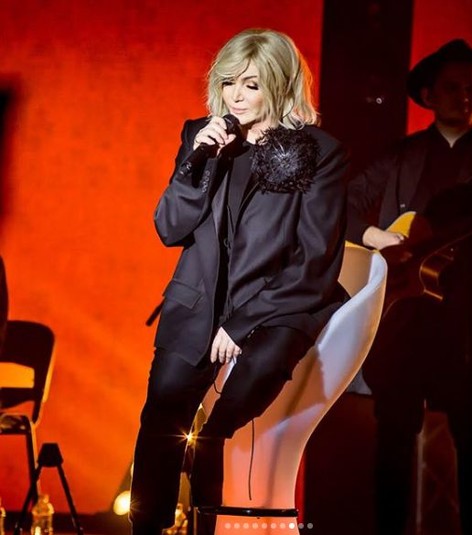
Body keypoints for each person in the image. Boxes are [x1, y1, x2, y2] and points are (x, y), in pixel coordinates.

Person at [129, 28, 349, 535]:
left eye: (251, 84)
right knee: (162, 413)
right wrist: (195, 162)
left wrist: (242, 320)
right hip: (197, 302)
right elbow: (169, 229)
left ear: (279, 85)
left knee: (239, 398)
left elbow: (315, 259)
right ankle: (146, 527)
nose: (236, 96)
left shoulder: (320, 151)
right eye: (228, 82)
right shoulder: (200, 137)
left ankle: (210, 472)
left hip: (279, 303)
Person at [346, 39, 472, 535]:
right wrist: (375, 235)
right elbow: (341, 206)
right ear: (428, 95)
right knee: (393, 438)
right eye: (452, 87)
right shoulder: (399, 157)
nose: (465, 96)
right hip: (404, 321)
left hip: (471, 325)